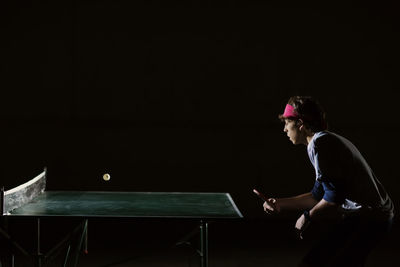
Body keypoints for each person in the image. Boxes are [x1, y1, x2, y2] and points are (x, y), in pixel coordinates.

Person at [260, 96, 394, 267]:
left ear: (300, 123)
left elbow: (332, 199)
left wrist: (306, 217)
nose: (285, 129)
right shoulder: (321, 142)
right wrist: (280, 203)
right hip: (364, 217)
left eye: (287, 123)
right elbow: (318, 196)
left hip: (372, 219)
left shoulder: (321, 145)